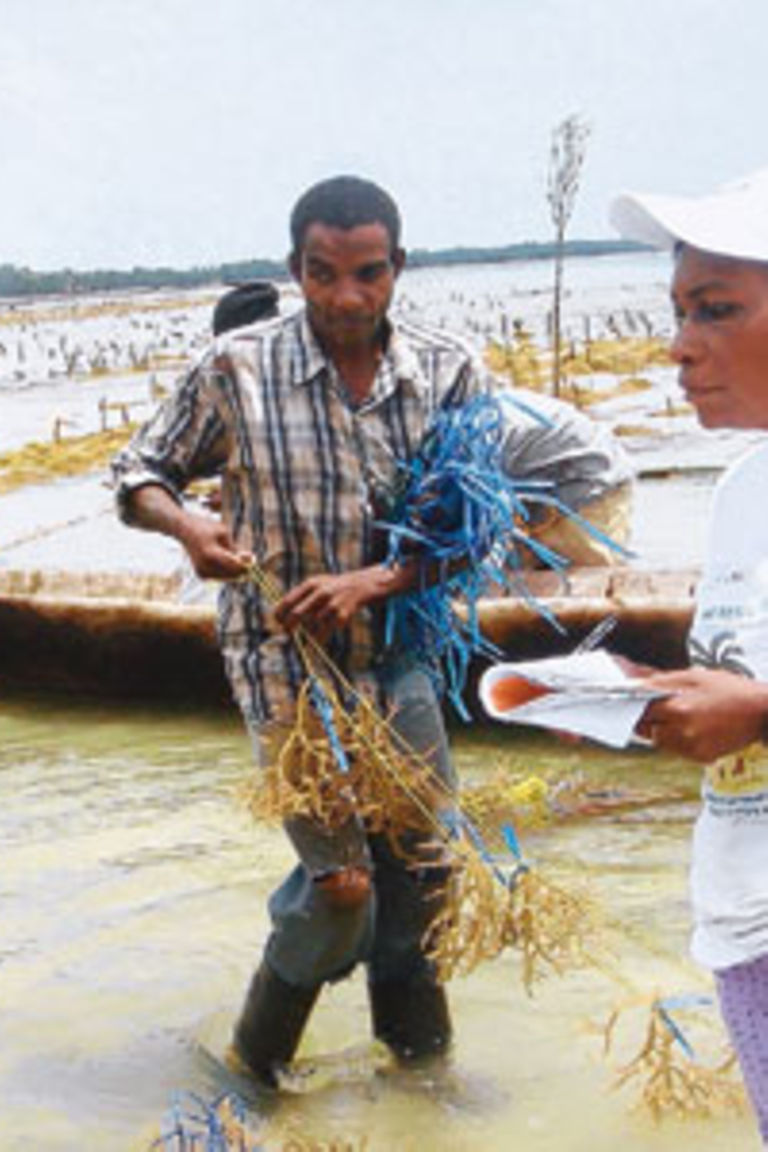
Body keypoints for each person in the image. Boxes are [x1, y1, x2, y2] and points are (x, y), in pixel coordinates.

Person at [112, 174, 631, 1088]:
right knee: (342, 885)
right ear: (294, 269)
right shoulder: (237, 368)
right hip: (280, 658)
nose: (345, 298)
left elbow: (473, 530)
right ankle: (256, 1066)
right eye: (322, 274)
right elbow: (139, 469)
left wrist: (376, 581)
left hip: (399, 652)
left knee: (423, 872)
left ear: (399, 268)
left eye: (366, 274)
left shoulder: (448, 370)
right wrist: (189, 526)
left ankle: (419, 1079)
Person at [611, 169, 768, 1144]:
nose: (679, 347)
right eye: (677, 311)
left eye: (717, 310)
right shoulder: (742, 490)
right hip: (748, 919)